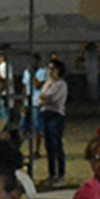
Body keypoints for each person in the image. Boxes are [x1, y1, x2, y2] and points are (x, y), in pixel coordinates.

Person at [37, 57, 70, 185]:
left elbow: (53, 98)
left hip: (56, 116)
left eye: (52, 69)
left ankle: (60, 174)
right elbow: (40, 99)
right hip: (46, 115)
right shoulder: (48, 83)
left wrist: (44, 98)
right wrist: (44, 98)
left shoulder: (61, 84)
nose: (49, 71)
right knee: (49, 146)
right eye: (48, 68)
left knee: (57, 145)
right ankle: (51, 174)